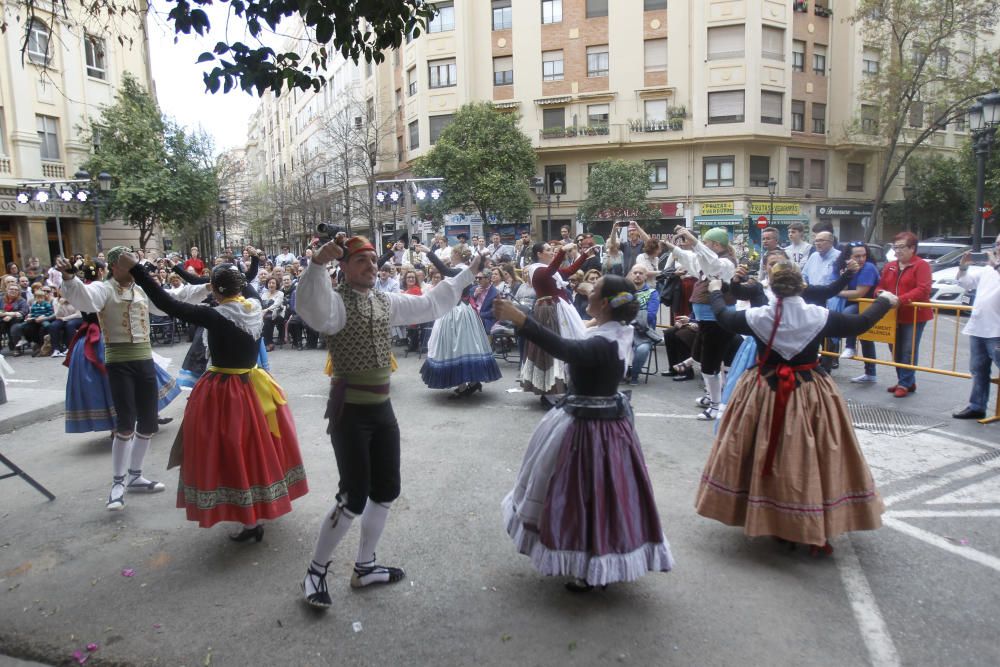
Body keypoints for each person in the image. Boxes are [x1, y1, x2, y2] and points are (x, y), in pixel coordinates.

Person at [294, 236, 483, 608]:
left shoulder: (385, 300)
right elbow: (310, 308)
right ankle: (315, 573)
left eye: (372, 260)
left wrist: (467, 275)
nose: (370, 266)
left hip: (382, 410)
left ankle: (365, 566)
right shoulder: (334, 304)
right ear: (344, 268)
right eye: (360, 261)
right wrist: (317, 264)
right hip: (350, 413)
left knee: (386, 490)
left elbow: (430, 303)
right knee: (353, 496)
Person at [696, 261, 899, 553]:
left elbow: (724, 317)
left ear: (773, 288)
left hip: (763, 389)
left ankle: (767, 512)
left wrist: (715, 291)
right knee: (812, 455)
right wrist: (884, 301)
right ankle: (807, 515)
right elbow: (859, 324)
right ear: (802, 286)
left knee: (760, 449)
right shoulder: (818, 315)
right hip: (811, 389)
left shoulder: (759, 315)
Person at [495, 277, 674, 591]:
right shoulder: (619, 331)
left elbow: (566, 349)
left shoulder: (601, 343)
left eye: (593, 291)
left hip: (589, 430)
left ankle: (591, 565)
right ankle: (600, 557)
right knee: (606, 494)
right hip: (609, 424)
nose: (586, 292)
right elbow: (580, 338)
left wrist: (521, 319)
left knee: (584, 495)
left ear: (605, 303)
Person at [120, 254, 308, 540]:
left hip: (224, 390)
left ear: (216, 290)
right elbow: (246, 288)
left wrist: (136, 269)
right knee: (257, 448)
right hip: (255, 384)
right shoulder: (254, 305)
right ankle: (257, 509)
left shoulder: (215, 314)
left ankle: (248, 519)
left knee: (229, 450)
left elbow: (166, 303)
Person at [57, 247, 210, 511]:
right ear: (115, 266)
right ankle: (118, 484)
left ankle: (136, 476)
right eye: (129, 263)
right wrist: (70, 278)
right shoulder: (104, 289)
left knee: (149, 422)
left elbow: (173, 298)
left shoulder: (141, 290)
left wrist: (207, 288)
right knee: (125, 423)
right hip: (119, 362)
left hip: (144, 361)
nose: (134, 267)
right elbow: (84, 299)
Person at [661, 226, 738, 420]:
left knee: (709, 365)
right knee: (703, 359)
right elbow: (692, 259)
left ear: (717, 245)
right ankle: (711, 396)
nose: (703, 246)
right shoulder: (706, 260)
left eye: (707, 242)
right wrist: (670, 246)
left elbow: (711, 263)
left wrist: (694, 242)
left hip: (718, 322)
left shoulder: (726, 264)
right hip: (706, 321)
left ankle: (715, 405)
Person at [418, 244, 502, 397]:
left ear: (457, 254)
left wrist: (429, 252)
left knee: (458, 346)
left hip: (458, 311)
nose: (451, 256)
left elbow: (445, 271)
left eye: (452, 254)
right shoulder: (465, 269)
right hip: (459, 309)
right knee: (464, 346)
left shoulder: (462, 269)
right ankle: (469, 382)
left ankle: (466, 384)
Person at [520, 242, 592, 398]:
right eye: (548, 250)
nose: (551, 252)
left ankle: (564, 384)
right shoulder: (536, 270)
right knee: (550, 347)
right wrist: (561, 252)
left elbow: (569, 271)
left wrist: (585, 255)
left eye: (552, 250)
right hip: (548, 311)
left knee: (568, 342)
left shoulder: (549, 270)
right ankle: (548, 392)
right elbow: (549, 272)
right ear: (539, 254)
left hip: (559, 309)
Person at [876, 232, 932, 397]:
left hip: (914, 314)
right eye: (895, 247)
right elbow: (880, 285)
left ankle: (905, 383)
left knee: (908, 349)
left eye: (901, 247)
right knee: (895, 349)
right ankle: (906, 380)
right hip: (893, 314)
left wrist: (901, 300)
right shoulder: (890, 266)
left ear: (912, 248)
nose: (897, 251)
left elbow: (923, 289)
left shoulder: (921, 265)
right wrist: (880, 294)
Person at [952, 238, 1000, 419]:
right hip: (979, 327)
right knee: (978, 369)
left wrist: (996, 265)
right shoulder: (987, 269)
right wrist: (963, 267)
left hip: (997, 330)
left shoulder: (994, 267)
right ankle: (977, 405)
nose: (997, 247)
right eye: (997, 243)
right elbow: (966, 283)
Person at [836, 243, 882, 382]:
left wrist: (835, 291)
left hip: (867, 304)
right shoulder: (845, 267)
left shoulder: (868, 267)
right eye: (857, 256)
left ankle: (850, 346)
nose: (861, 259)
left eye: (864, 255)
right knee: (866, 340)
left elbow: (859, 293)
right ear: (848, 257)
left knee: (849, 315)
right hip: (855, 303)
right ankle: (870, 374)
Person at [626, 265, 661, 385]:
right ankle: (621, 373)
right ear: (631, 275)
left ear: (646, 276)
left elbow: (650, 315)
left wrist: (627, 317)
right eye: (635, 272)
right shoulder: (624, 293)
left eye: (640, 273)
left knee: (642, 350)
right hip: (625, 331)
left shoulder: (653, 293)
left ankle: (634, 375)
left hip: (643, 331)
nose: (637, 275)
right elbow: (614, 307)